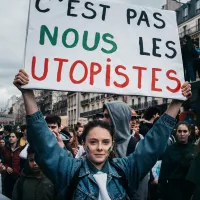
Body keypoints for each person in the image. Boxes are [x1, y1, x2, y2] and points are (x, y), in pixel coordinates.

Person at [13, 69, 191, 200]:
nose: (99, 147)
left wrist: (176, 103)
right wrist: (28, 93)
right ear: (84, 144)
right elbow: (43, 143)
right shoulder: (69, 170)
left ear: (111, 144)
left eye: (105, 142)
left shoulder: (126, 168)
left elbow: (153, 143)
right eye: (93, 141)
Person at [158, 121, 196, 200]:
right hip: (174, 187)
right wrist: (162, 192)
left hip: (190, 187)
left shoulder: (194, 149)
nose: (182, 134)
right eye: (180, 131)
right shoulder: (169, 149)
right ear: (176, 133)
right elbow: (163, 172)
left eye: (185, 131)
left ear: (189, 133)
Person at [1, 132, 22, 198]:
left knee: (18, 194)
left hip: (18, 175)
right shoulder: (5, 149)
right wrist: (7, 167)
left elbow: (23, 163)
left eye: (13, 137)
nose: (11, 138)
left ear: (17, 138)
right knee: (8, 194)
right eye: (10, 137)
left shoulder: (21, 149)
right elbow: (3, 161)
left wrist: (17, 170)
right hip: (8, 175)